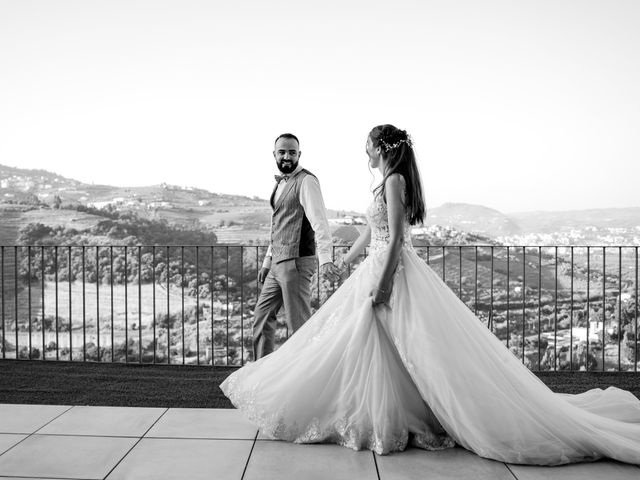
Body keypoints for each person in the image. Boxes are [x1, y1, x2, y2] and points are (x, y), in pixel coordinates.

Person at [221, 125, 640, 465]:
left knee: (393, 345)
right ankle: (380, 416)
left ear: (381, 148)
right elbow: (373, 231)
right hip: (374, 266)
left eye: (367, 147)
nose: (365, 154)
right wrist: (346, 261)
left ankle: (400, 417)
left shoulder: (395, 179)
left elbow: (397, 237)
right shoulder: (385, 180)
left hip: (391, 272)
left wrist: (383, 284)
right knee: (373, 346)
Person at [252, 133, 340, 360]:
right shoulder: (280, 184)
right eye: (282, 152)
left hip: (297, 262)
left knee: (299, 328)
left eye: (292, 152)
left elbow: (319, 221)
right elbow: (278, 224)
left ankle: (306, 379)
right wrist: (267, 261)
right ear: (274, 154)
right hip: (276, 263)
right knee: (262, 318)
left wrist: (326, 258)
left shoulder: (307, 181)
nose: (287, 156)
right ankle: (262, 374)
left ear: (299, 154)